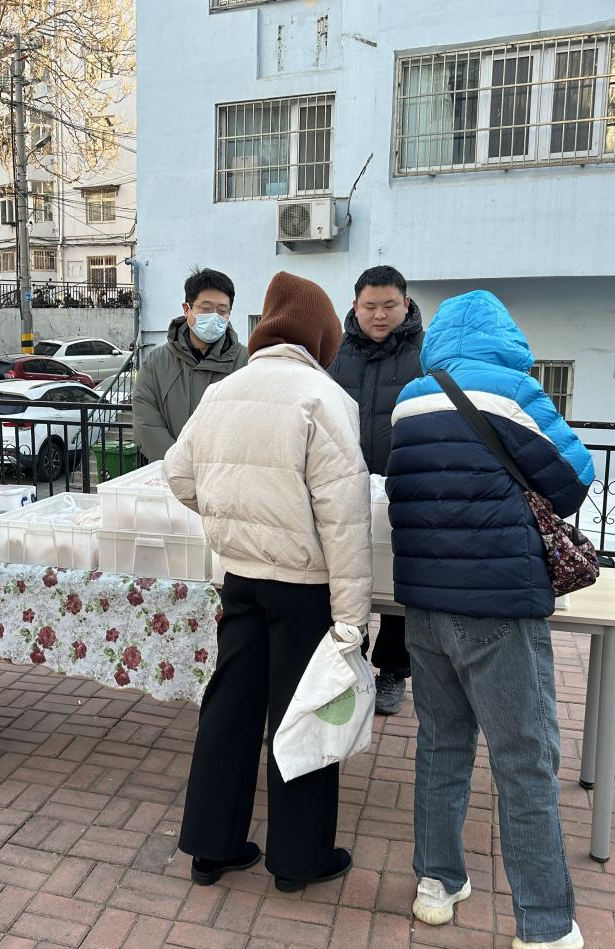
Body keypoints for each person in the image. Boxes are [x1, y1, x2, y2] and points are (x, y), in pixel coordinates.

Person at [386, 290, 593, 949]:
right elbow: (572, 480)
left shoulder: (410, 398)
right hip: (499, 605)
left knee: (441, 745)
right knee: (524, 758)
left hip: (423, 602)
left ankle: (436, 883)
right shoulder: (510, 390)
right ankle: (545, 924)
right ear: (506, 337)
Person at [166, 271, 373, 892]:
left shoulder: (223, 391)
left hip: (240, 581)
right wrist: (353, 619)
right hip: (304, 587)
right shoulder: (323, 397)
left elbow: (178, 477)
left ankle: (212, 848)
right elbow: (345, 520)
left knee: (228, 711)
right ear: (319, 335)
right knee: (302, 713)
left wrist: (236, 519)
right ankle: (298, 859)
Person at [328, 265, 423, 715]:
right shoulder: (337, 351)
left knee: (397, 581)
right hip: (345, 486)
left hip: (405, 485)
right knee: (349, 578)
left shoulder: (424, 353)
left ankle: (392, 671)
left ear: (405, 305)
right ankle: (353, 662)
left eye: (389, 305)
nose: (380, 315)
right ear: (355, 307)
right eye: (370, 306)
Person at [132, 267, 248, 462]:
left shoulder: (245, 363)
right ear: (187, 309)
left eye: (222, 311)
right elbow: (146, 422)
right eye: (206, 308)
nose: (214, 317)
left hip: (226, 477)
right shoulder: (156, 363)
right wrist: (179, 465)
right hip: (169, 478)